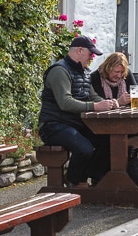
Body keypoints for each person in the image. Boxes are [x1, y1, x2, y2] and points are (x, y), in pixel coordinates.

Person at [38, 36, 118, 188]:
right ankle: (74, 180)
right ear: (79, 50)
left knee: (108, 141)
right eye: (90, 53)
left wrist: (108, 103)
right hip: (53, 125)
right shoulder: (59, 71)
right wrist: (95, 107)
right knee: (85, 149)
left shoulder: (85, 72)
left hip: (75, 124)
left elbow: (93, 96)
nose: (91, 57)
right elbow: (65, 103)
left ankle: (93, 176)